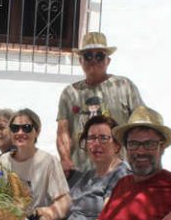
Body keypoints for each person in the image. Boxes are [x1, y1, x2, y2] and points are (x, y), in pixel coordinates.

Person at [56, 32, 144, 178]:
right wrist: (65, 159)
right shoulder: (70, 93)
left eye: (99, 56)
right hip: (80, 172)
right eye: (88, 56)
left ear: (108, 61)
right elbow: (62, 131)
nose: (93, 60)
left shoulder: (124, 86)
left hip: (118, 172)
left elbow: (140, 125)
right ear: (80, 61)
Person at [48, 114, 130, 220]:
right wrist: (45, 217)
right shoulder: (89, 175)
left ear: (116, 145)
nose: (96, 144)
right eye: (91, 138)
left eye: (103, 138)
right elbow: (64, 205)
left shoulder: (121, 175)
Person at [0, 108, 71, 220]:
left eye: (26, 128)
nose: (20, 132)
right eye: (15, 128)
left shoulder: (48, 161)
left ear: (37, 131)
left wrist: (43, 215)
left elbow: (64, 202)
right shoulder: (4, 161)